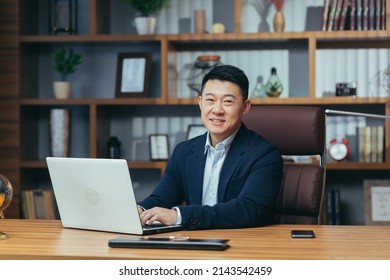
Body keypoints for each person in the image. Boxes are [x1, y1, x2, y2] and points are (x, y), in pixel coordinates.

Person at [138, 64, 283, 229]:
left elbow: (248, 209)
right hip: (195, 243)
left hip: (243, 244)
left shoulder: (264, 154)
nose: (217, 110)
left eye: (228, 101)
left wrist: (179, 216)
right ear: (200, 103)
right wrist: (140, 210)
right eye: (210, 100)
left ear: (245, 107)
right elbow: (160, 199)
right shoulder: (184, 152)